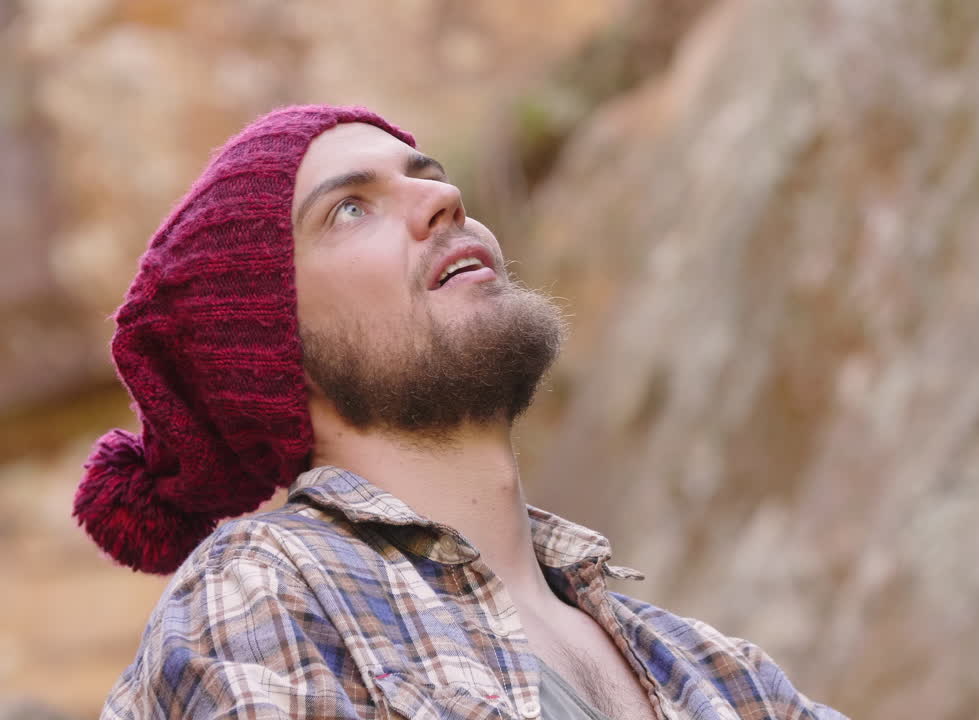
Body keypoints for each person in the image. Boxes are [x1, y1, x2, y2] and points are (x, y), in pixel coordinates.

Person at [76, 105, 844, 720]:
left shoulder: (720, 675)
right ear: (274, 349)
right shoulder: (265, 592)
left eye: (427, 175)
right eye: (349, 209)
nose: (444, 199)